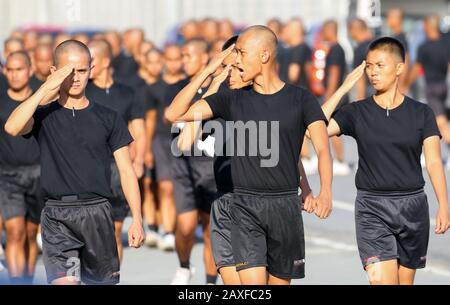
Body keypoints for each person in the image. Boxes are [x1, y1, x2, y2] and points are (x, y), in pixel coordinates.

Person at [166, 25, 333, 285]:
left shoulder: (301, 99)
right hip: (242, 205)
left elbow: (319, 149)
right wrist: (209, 71)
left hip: (285, 207)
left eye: (242, 54)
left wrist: (322, 191)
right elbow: (174, 114)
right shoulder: (231, 99)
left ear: (264, 55)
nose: (236, 61)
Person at [5, 40, 144, 285]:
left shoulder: (108, 117)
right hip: (57, 217)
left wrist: (138, 220)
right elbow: (12, 127)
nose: (76, 78)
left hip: (97, 214)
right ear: (54, 72)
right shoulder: (42, 115)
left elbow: (126, 170)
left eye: (82, 70)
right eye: (68, 72)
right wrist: (46, 89)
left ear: (91, 69)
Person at [317, 37, 450, 284]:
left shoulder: (422, 113)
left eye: (380, 65)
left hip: (412, 207)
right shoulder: (357, 112)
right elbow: (315, 129)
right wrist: (345, 86)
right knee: (381, 281)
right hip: (371, 207)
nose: (372, 72)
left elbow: (433, 161)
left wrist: (444, 204)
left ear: (399, 68)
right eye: (369, 66)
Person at [165, 39, 220, 285]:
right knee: (186, 227)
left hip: (211, 168)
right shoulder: (178, 89)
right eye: (182, 56)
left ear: (205, 57)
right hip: (183, 166)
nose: (183, 61)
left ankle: (210, 283)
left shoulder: (222, 89)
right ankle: (184, 266)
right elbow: (171, 117)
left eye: (188, 56)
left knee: (211, 231)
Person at [86, 39, 146, 262]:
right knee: (92, 233)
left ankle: (112, 277)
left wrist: (139, 160)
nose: (87, 65)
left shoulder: (127, 92)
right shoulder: (81, 92)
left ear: (105, 61)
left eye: (91, 60)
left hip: (119, 168)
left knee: (113, 232)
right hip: (90, 169)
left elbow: (138, 128)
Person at [0, 51, 43, 284]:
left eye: (20, 69)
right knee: (14, 231)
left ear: (30, 69)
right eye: (10, 70)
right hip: (7, 176)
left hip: (38, 173)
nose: (15, 75)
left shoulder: (40, 98)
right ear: (5, 71)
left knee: (29, 233)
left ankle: (27, 279)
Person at [407, 14, 450, 168]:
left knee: (440, 122)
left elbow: (416, 69)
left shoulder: (424, 47)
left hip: (431, 88)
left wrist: (405, 83)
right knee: (440, 119)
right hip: (444, 86)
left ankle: (429, 157)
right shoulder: (446, 44)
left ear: (427, 27)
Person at [321, 20, 351, 176]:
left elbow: (334, 73)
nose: (322, 34)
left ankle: (340, 160)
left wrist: (329, 97)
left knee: (332, 129)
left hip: (334, 95)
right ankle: (340, 160)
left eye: (323, 30)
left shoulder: (336, 49)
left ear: (330, 30)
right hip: (337, 95)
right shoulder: (336, 48)